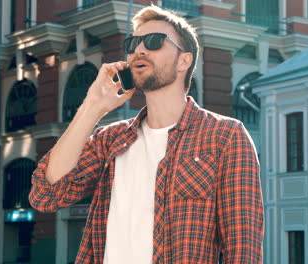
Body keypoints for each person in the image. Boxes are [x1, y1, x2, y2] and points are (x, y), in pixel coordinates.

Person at [29, 4, 264, 264]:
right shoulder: (110, 139)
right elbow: (46, 195)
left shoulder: (226, 136)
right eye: (133, 43)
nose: (139, 49)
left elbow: (243, 249)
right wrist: (93, 107)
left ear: (184, 61)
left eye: (154, 42)